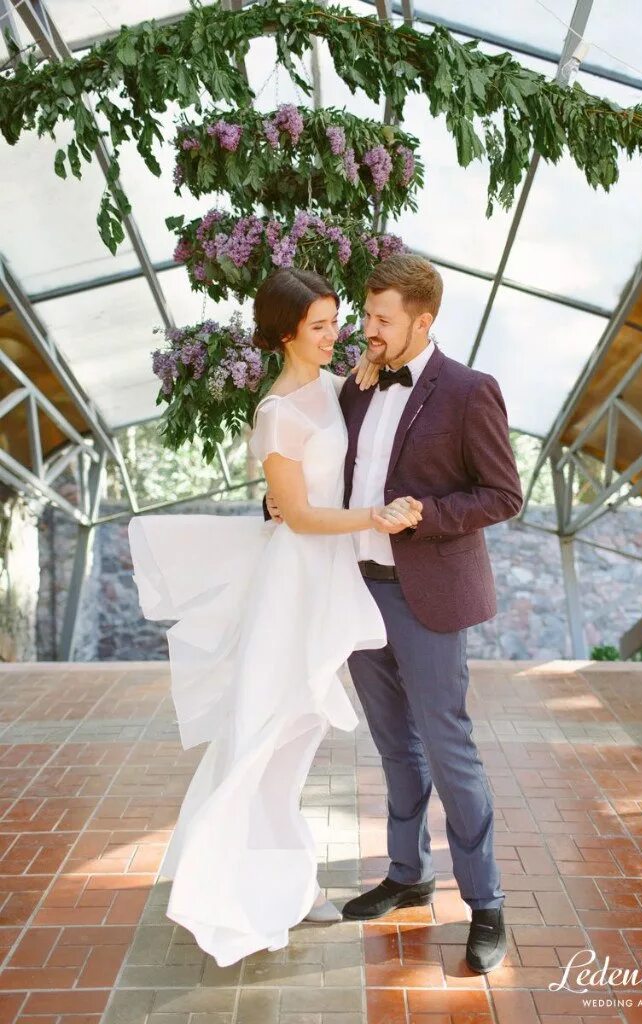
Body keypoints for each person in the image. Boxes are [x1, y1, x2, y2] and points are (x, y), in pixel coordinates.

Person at [128, 267, 423, 968]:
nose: (335, 335)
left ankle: (285, 884)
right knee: (263, 738)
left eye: (335, 322)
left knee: (295, 746)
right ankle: (227, 889)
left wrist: (386, 342)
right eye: (319, 325)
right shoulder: (275, 413)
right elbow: (294, 513)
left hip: (325, 584)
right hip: (291, 587)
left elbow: (369, 368)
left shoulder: (331, 384)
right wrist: (373, 518)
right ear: (285, 333)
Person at [266, 254, 523, 973]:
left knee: (449, 747)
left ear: (422, 321)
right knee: (392, 745)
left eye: (381, 319)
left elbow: (503, 495)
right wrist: (281, 500)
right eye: (366, 315)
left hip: (428, 595)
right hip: (353, 589)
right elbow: (321, 470)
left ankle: (486, 902)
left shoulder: (471, 391)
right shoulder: (353, 387)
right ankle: (407, 876)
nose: (367, 330)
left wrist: (425, 516)